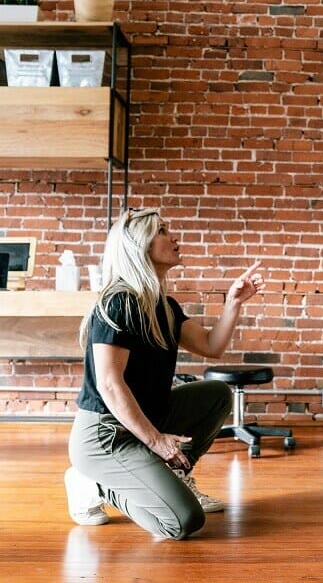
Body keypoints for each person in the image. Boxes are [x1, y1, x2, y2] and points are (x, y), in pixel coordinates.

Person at [64, 207, 266, 540]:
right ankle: (95, 484)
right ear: (139, 246)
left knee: (216, 395)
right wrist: (157, 442)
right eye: (162, 231)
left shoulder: (164, 306)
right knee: (182, 522)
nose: (174, 237)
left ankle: (176, 478)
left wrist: (234, 302)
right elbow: (110, 385)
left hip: (146, 416)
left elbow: (211, 345)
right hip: (105, 436)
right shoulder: (119, 303)